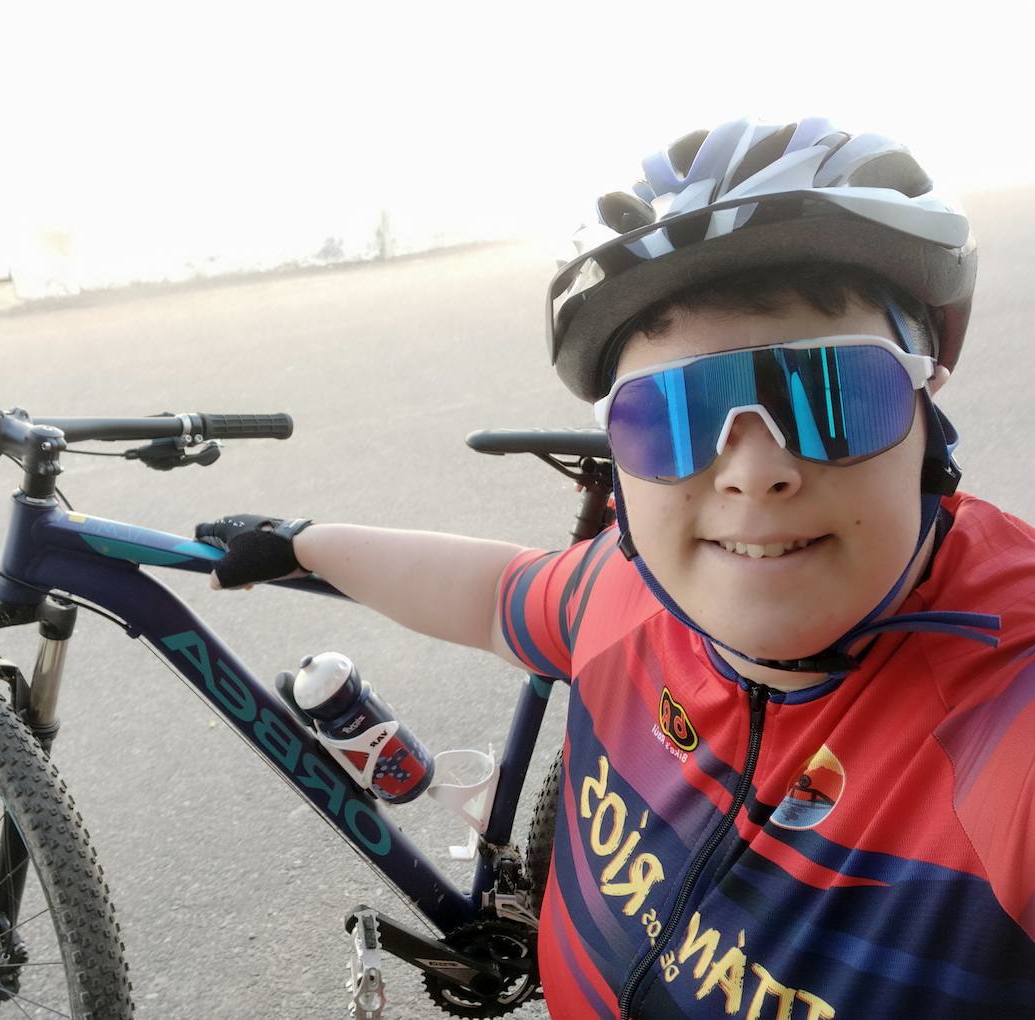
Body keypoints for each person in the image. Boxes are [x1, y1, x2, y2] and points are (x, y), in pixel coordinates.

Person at [195, 118, 1035, 1018]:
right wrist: (302, 541)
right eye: (671, 416)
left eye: (833, 394)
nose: (755, 473)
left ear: (928, 415)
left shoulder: (1003, 716)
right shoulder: (625, 592)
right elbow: (495, 594)